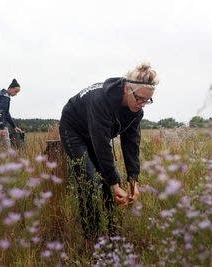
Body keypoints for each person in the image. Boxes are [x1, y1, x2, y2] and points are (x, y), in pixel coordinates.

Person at [59, 62, 159, 238]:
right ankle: (93, 235)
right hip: (74, 128)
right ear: (128, 88)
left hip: (96, 132)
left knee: (109, 181)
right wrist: (115, 183)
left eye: (147, 100)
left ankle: (112, 231)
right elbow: (101, 143)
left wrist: (133, 180)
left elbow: (131, 144)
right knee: (89, 180)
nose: (142, 104)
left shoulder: (136, 111)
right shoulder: (101, 100)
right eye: (139, 98)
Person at [0, 79, 23, 149]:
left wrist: (14, 126)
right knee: (6, 148)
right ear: (10, 88)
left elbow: (6, 113)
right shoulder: (5, 97)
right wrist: (2, 128)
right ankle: (6, 160)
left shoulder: (2, 95)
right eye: (15, 91)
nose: (16, 94)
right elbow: (1, 112)